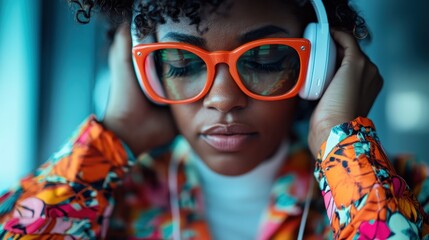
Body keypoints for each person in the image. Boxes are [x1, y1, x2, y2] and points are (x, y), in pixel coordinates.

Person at [0, 0, 428, 239]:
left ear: (319, 66)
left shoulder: (409, 191)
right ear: (140, 71)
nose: (224, 101)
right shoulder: (111, 203)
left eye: (263, 58)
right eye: (182, 64)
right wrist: (116, 137)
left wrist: (342, 144)